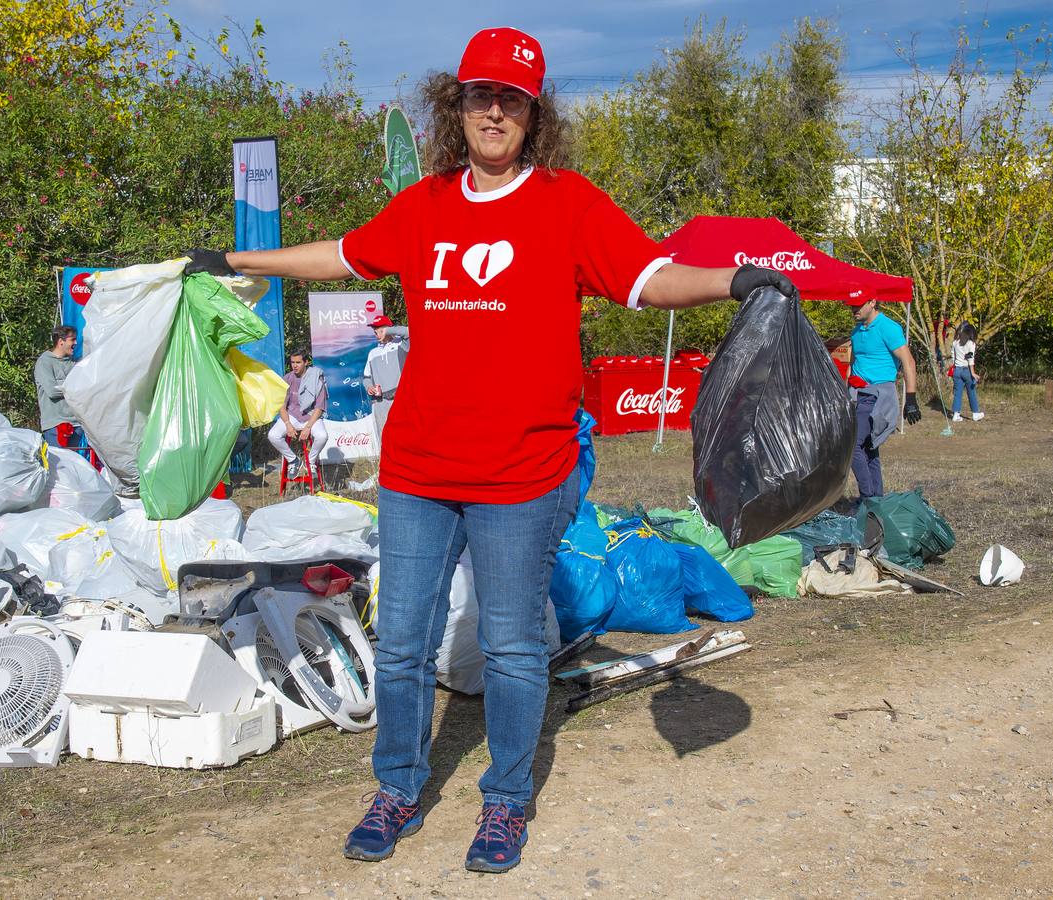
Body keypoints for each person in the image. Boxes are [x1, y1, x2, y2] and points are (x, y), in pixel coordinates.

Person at [183, 25, 793, 874]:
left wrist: (737, 279)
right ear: (456, 104)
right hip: (420, 473)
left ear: (532, 113)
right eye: (480, 95)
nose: (494, 111)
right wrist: (238, 258)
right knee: (399, 644)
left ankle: (505, 802)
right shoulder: (424, 207)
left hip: (521, 475)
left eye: (511, 98)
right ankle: (397, 785)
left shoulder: (569, 204)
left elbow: (648, 277)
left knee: (510, 647)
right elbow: (344, 255)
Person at [847, 298, 920, 500]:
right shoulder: (857, 331)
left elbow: (909, 362)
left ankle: (868, 499)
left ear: (872, 302)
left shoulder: (888, 328)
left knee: (853, 446)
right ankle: (876, 500)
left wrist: (911, 399)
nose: (854, 309)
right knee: (869, 449)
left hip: (877, 395)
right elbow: (853, 364)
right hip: (857, 394)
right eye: (852, 305)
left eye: (858, 305)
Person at [267, 349, 328, 478]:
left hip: (311, 416)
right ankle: (293, 460)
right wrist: (288, 424)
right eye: (292, 362)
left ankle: (310, 462)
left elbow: (319, 407)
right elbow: (281, 406)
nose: (294, 365)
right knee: (273, 435)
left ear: (306, 362)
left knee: (322, 436)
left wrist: (308, 427)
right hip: (293, 416)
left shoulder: (317, 377)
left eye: (298, 362)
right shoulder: (287, 378)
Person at [362, 314, 410, 437]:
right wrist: (369, 387)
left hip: (400, 400)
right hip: (380, 403)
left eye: (380, 329)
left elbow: (408, 332)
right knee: (384, 439)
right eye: (375, 330)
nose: (376, 332)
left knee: (404, 436)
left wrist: (388, 331)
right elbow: (366, 378)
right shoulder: (372, 353)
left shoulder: (401, 345)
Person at [34, 325, 80, 449]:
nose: (76, 343)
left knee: (77, 466)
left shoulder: (74, 363)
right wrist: (75, 387)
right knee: (61, 466)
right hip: (57, 425)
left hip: (77, 424)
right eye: (72, 339)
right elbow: (52, 391)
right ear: (61, 341)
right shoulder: (44, 362)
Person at [950, 321, 984, 422]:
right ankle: (975, 413)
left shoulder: (955, 342)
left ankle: (956, 415)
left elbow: (953, 355)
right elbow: (970, 359)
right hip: (966, 371)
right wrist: (973, 373)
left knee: (957, 393)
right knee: (971, 392)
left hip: (957, 370)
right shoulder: (971, 343)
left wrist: (955, 365)